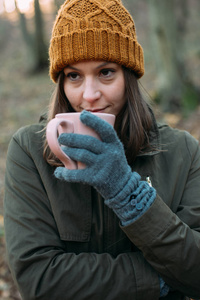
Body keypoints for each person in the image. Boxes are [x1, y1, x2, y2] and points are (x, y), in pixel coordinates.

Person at [4, 0, 200, 299]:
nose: (90, 95)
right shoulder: (29, 150)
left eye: (106, 72)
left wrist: (127, 193)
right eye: (74, 76)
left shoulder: (182, 151)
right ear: (61, 82)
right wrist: (160, 280)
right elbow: (38, 280)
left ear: (128, 76)